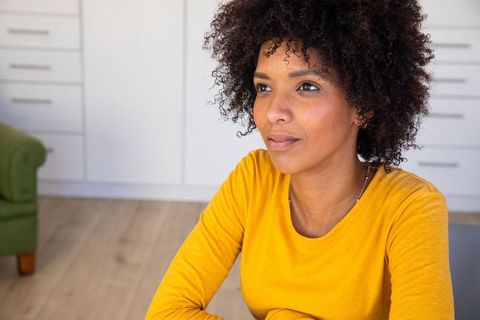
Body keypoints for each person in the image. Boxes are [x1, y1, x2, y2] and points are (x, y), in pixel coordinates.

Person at [146, 0, 454, 319]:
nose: (273, 112)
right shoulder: (253, 179)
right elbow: (166, 312)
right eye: (264, 87)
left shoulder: (411, 207)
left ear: (363, 104)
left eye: (307, 86)